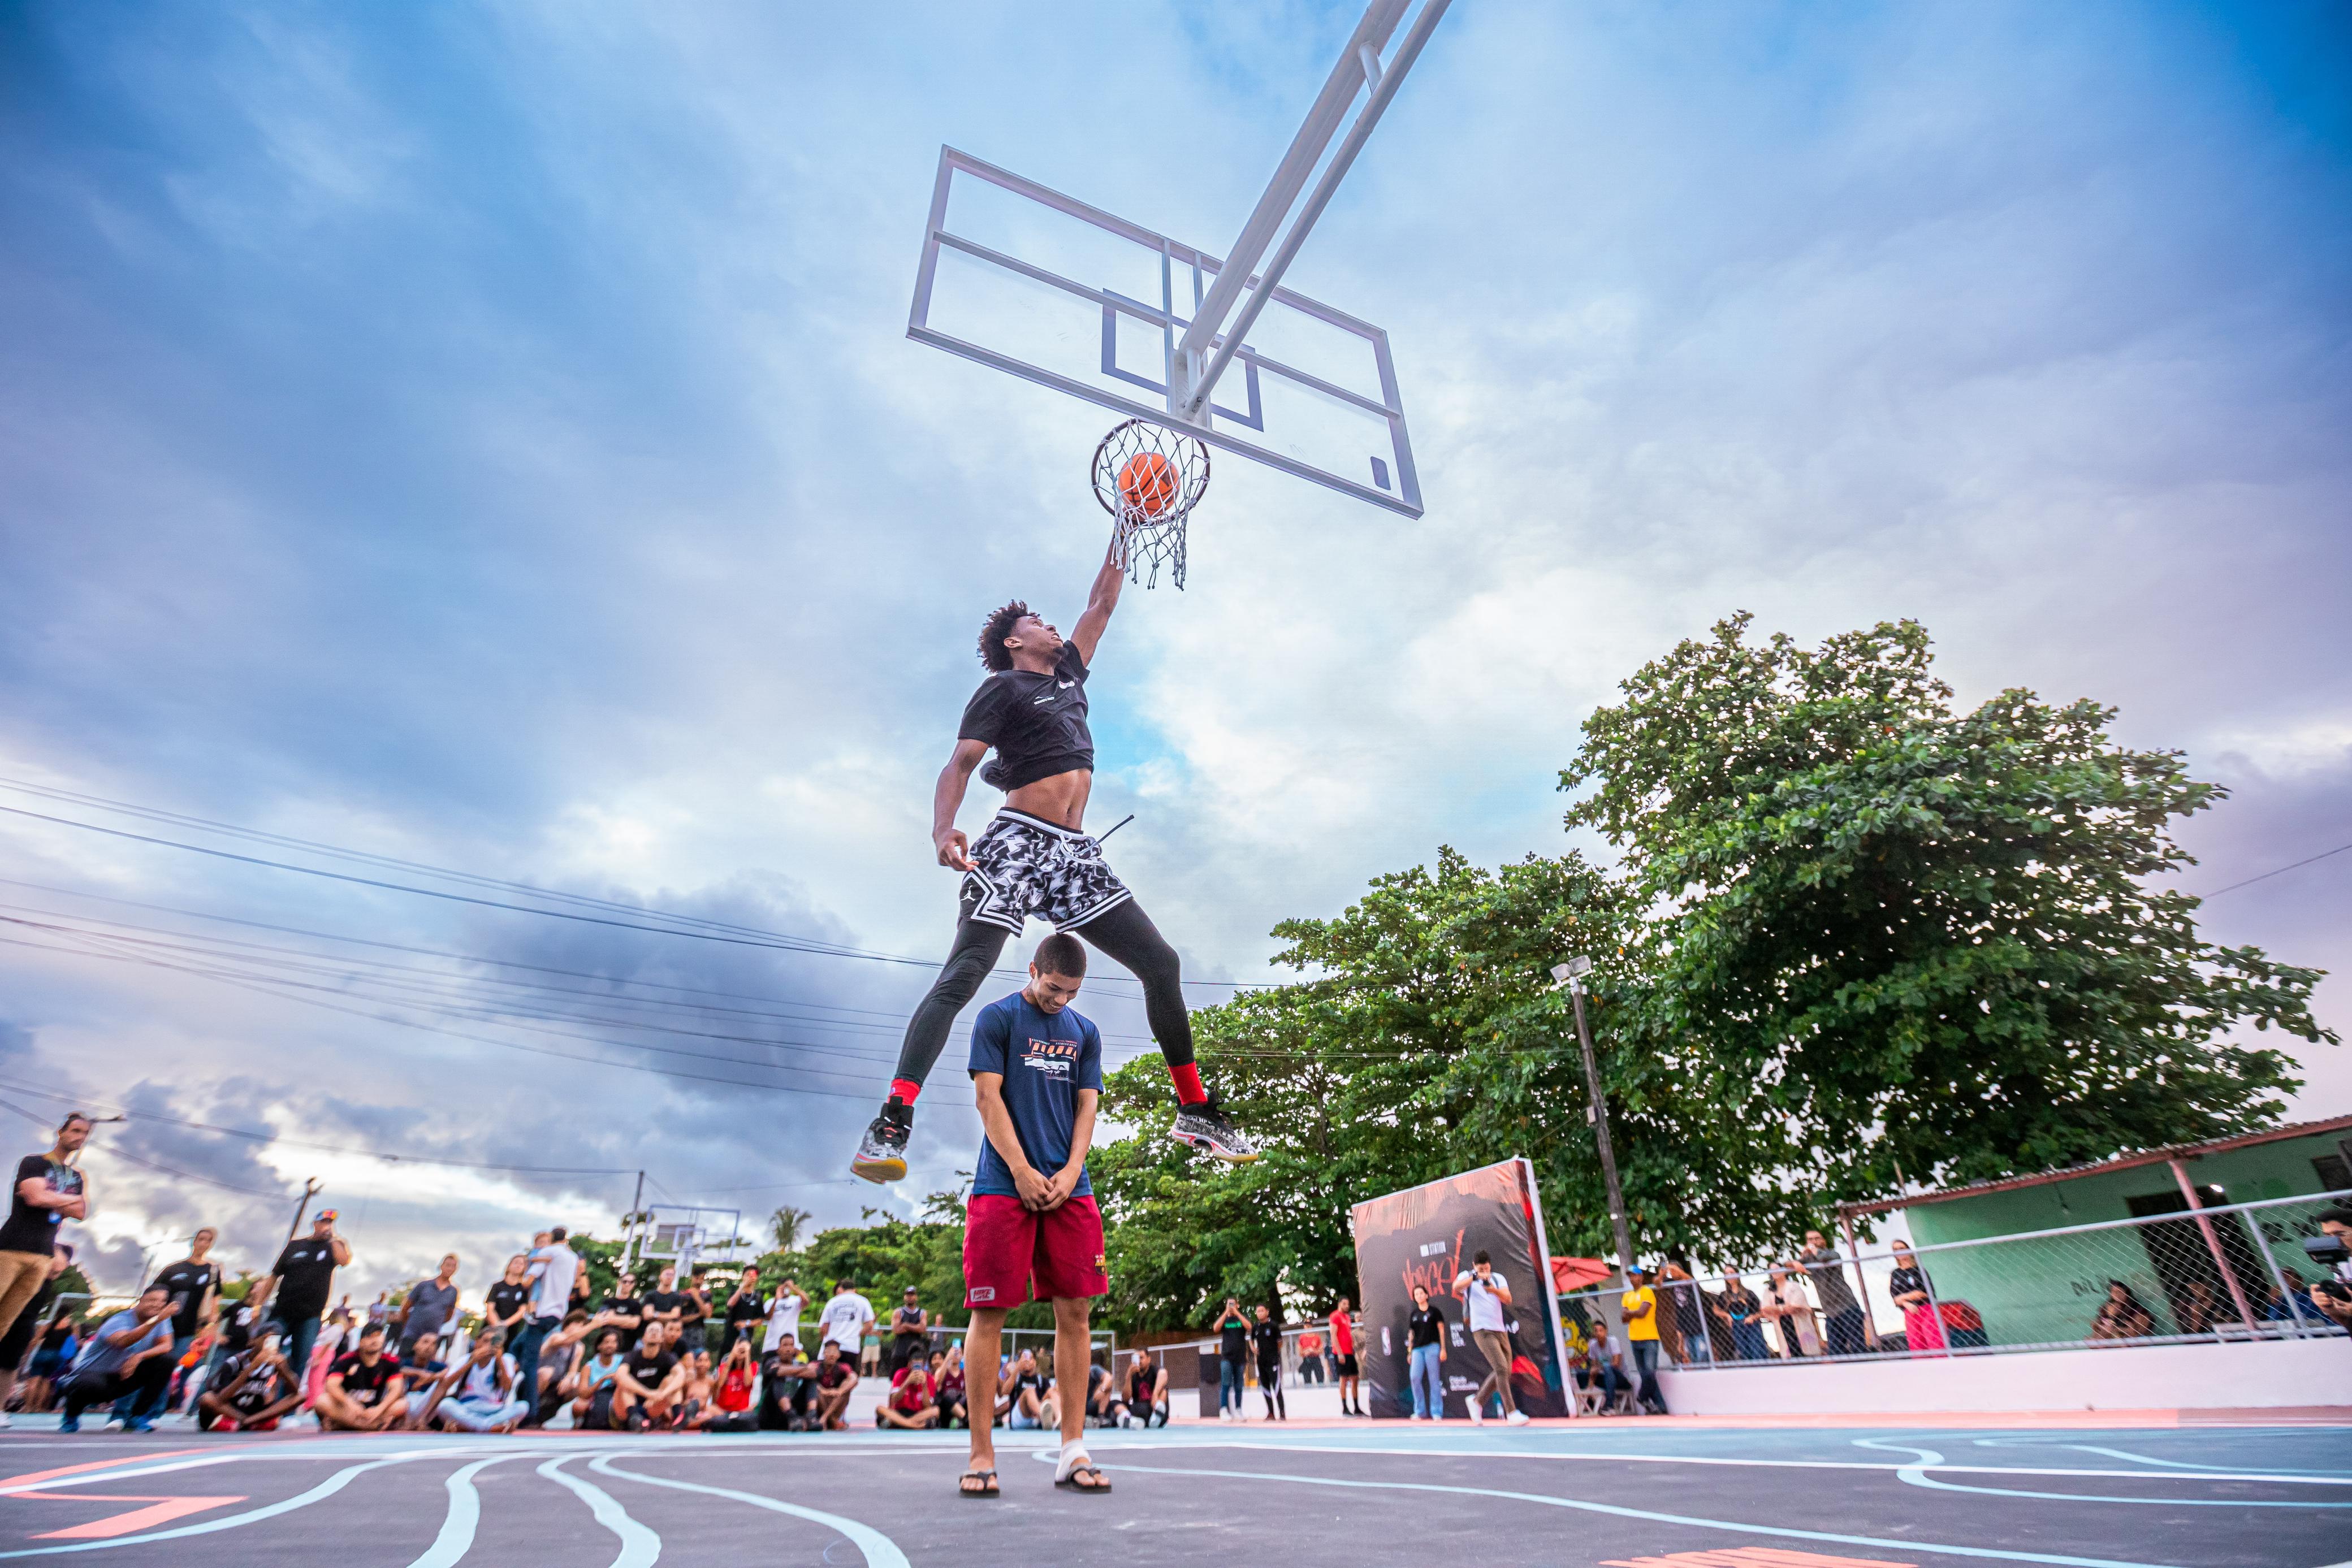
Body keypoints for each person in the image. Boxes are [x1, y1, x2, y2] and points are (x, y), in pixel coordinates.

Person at [850, 544, 1258, 1186]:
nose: (1050, 624)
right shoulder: (1002, 688)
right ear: (1015, 641)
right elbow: (959, 764)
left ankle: (1195, 1111)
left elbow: (1102, 601)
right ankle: (892, 1119)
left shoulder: (1068, 675)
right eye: (1036, 619)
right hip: (1016, 843)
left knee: (1162, 963)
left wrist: (1126, 523)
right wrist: (942, 827)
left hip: (1072, 852)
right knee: (964, 973)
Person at [956, 930, 1116, 1498]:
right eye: (1052, 988)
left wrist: (1072, 1171)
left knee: (1075, 1310)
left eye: (1071, 992)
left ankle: (1072, 1448)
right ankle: (981, 1453)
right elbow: (987, 1098)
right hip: (1004, 1182)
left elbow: (1086, 1104)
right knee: (990, 1310)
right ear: (1032, 969)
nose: (1061, 1000)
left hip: (1069, 1186)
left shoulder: (1085, 1032)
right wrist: (1022, 1170)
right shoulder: (996, 1019)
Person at [0, 1113, 92, 1422]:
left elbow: (81, 1211)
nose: (79, 1137)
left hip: (42, 1257)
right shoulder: (34, 1163)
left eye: (84, 1134)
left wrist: (57, 1199)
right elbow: (34, 1197)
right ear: (61, 1132)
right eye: (75, 1131)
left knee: (7, 1326)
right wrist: (64, 1199)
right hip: (11, 1248)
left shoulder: (77, 1175)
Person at [250, 1209, 349, 1392]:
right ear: (315, 1223)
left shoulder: (333, 1246)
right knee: (265, 1352)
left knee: (299, 1361)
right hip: (282, 1312)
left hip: (310, 1317)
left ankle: (285, 1409)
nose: (327, 1226)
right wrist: (257, 1305)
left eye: (330, 1223)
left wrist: (333, 1238)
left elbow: (344, 1261)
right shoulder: (295, 1246)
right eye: (324, 1222)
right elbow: (273, 1277)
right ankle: (253, 1395)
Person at [57, 1284, 175, 1433]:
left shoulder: (160, 1320)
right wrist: (156, 1320)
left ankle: (137, 1416)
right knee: (88, 1385)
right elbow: (124, 1341)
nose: (158, 1304)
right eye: (152, 1300)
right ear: (140, 1300)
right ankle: (71, 1416)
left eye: (162, 1301)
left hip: (122, 1377)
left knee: (167, 1361)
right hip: (94, 1375)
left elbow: (167, 1345)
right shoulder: (119, 1320)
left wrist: (140, 1356)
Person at [1452, 1250, 1529, 1426]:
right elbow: (1456, 1288)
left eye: (1486, 1268)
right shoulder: (1468, 1277)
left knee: (1505, 1371)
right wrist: (1474, 1277)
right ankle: (1511, 1412)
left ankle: (1477, 1401)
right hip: (1482, 1329)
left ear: (1490, 1266)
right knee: (1501, 1368)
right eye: (1481, 1269)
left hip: (1500, 1330)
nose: (1484, 1272)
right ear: (1474, 1266)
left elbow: (1508, 1299)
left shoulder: (1498, 1278)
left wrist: (1492, 1289)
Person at [0, 1244, 74, 1424]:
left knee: (11, 1367)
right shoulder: (71, 1324)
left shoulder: (44, 1279)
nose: (54, 1272)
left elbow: (38, 1333)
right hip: (19, 1323)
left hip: (24, 1325)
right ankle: (31, 1407)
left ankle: (6, 1408)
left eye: (57, 1272)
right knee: (39, 1380)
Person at [513, 1226, 578, 1428]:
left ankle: (529, 1412)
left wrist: (531, 1261)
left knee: (528, 1362)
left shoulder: (547, 1253)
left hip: (541, 1313)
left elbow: (527, 1282)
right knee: (521, 1353)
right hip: (558, 1313)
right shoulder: (572, 1257)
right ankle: (524, 1404)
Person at [197, 1325, 304, 1432]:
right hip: (232, 1410)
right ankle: (245, 1421)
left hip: (256, 1411)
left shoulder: (277, 1362)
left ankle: (250, 1422)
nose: (269, 1345)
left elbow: (296, 1393)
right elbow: (221, 1399)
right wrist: (251, 1369)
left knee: (300, 1396)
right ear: (253, 1341)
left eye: (275, 1341)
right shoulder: (235, 1362)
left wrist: (284, 1370)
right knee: (207, 1399)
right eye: (267, 1339)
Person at [316, 1322, 407, 1432]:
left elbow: (396, 1389)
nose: (375, 1340)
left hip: (374, 1411)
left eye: (378, 1336)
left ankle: (346, 1425)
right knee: (322, 1401)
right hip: (347, 1409)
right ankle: (371, 1426)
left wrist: (380, 1409)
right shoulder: (347, 1359)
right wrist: (349, 1403)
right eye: (370, 1337)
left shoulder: (391, 1361)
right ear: (361, 1342)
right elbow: (332, 1385)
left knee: (402, 1404)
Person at [436, 1329, 529, 1433]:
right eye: (486, 1341)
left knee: (523, 1406)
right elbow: (446, 1385)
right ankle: (490, 1427)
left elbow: (507, 1388)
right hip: (467, 1408)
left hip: (495, 1410)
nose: (489, 1345)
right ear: (476, 1343)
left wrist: (500, 1362)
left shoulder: (506, 1359)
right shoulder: (464, 1360)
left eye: (493, 1342)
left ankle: (470, 1427)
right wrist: (472, 1362)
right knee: (445, 1405)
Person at [1799, 1230, 1867, 1356]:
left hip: (1847, 1307)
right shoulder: (1809, 1261)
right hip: (1830, 1312)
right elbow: (1790, 1265)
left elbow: (1823, 1258)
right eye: (1810, 1240)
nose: (1814, 1242)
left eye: (1817, 1238)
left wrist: (1814, 1251)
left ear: (1823, 1240)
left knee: (1858, 1347)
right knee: (1836, 1351)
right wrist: (1795, 1262)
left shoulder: (1833, 1254)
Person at [612, 1318, 686, 1432]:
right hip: (625, 1407)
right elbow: (620, 1376)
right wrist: (648, 1393)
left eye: (658, 1331)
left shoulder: (668, 1357)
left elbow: (681, 1376)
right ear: (644, 1338)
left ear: (662, 1338)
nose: (654, 1333)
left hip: (651, 1406)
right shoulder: (631, 1356)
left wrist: (661, 1394)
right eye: (651, 1330)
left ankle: (678, 1418)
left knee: (672, 1379)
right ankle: (634, 1418)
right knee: (624, 1381)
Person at [1617, 1263, 1668, 1415]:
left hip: (1649, 1337)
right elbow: (1623, 1318)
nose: (1632, 1278)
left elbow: (1642, 1313)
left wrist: (1630, 1313)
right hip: (1635, 1338)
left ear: (1641, 1277)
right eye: (1630, 1276)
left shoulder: (1647, 1292)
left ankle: (1642, 1396)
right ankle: (1660, 1406)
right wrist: (1633, 1312)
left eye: (1634, 1275)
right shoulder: (1627, 1296)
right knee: (1645, 1374)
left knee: (1649, 1373)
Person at [397, 1254, 461, 1359]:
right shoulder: (424, 1285)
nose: (450, 1268)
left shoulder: (453, 1291)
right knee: (402, 1362)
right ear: (441, 1266)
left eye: (453, 1266)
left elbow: (449, 1314)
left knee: (423, 1366)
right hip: (412, 1333)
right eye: (448, 1265)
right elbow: (406, 1307)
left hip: (431, 1337)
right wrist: (408, 1324)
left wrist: (436, 1322)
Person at [1886, 1241, 1945, 1354]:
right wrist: (1907, 1303)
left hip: (1926, 1310)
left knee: (1935, 1343)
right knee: (1917, 1346)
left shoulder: (1919, 1271)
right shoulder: (1895, 1274)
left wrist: (1903, 1297)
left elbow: (1923, 1293)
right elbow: (1895, 1299)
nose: (1900, 1251)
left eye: (1902, 1248)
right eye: (1896, 1250)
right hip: (1909, 1312)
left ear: (1909, 1250)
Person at [567, 1327, 628, 1430]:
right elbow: (583, 1394)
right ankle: (580, 1423)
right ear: (599, 1346)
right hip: (595, 1398)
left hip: (616, 1396)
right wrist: (602, 1381)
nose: (610, 1345)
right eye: (607, 1342)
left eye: (613, 1342)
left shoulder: (623, 1361)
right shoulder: (589, 1367)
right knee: (578, 1407)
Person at [397, 1331, 456, 1428]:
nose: (429, 1347)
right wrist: (419, 1373)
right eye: (425, 1342)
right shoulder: (404, 1362)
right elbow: (398, 1370)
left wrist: (426, 1380)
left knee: (444, 1382)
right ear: (415, 1346)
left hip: (426, 1404)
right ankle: (405, 1421)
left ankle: (422, 1421)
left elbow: (447, 1373)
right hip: (404, 1402)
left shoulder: (439, 1366)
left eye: (433, 1344)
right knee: (398, 1379)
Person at [1406, 1283, 1448, 1420]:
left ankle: (1436, 1412)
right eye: (1416, 1294)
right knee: (1415, 1378)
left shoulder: (1435, 1312)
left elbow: (1441, 1330)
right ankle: (1420, 1411)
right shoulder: (1414, 1314)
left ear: (1426, 1295)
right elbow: (1411, 1334)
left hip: (1433, 1347)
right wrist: (1410, 1351)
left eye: (1421, 1293)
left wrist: (1443, 1349)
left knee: (1434, 1380)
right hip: (1417, 1350)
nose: (1419, 1296)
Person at [1658, 1259, 1709, 1366]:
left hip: (1699, 1327)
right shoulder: (1672, 1283)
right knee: (1694, 1359)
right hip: (1686, 1329)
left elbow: (1691, 1280)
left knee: (1703, 1358)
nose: (1672, 1273)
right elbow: (1658, 1283)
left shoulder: (1688, 1281)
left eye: (1674, 1270)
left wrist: (1676, 1269)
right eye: (1671, 1272)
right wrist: (1662, 1273)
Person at [1765, 1263, 1821, 1359]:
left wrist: (1776, 1309)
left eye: (1777, 1269)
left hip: (1800, 1326)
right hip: (1783, 1328)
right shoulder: (1769, 1291)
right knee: (1790, 1356)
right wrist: (1783, 1308)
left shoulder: (1794, 1286)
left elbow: (1795, 1307)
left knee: (1808, 1355)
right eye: (1772, 1270)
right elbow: (1765, 1308)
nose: (1775, 1272)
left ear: (1784, 1271)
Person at [2311, 1207, 2352, 1330]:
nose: (2333, 1241)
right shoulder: (2342, 1263)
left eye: (2340, 1234)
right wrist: (2329, 1307)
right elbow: (2347, 1322)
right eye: (2327, 1236)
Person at [818, 1278, 875, 1366]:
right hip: (851, 1346)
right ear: (855, 1289)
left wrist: (825, 1340)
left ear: (842, 1288)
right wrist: (857, 1333)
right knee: (849, 1376)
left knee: (830, 1377)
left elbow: (823, 1328)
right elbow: (870, 1325)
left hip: (832, 1347)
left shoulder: (832, 1302)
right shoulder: (863, 1301)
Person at [809, 1337, 859, 1430]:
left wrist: (840, 1391)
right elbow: (807, 1373)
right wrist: (823, 1390)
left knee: (846, 1386)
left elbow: (854, 1379)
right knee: (814, 1387)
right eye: (829, 1351)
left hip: (836, 1401)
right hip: (820, 1401)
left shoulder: (844, 1367)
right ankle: (832, 1421)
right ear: (824, 1354)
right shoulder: (815, 1365)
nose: (832, 1355)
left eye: (835, 1352)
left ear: (839, 1355)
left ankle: (825, 1418)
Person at [1212, 1296, 1249, 1422]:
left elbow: (1249, 1327)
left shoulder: (1241, 1319)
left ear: (1238, 1305)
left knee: (1239, 1385)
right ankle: (1224, 1409)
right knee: (1226, 1384)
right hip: (1227, 1358)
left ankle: (1238, 1410)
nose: (1231, 1306)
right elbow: (1216, 1328)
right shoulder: (1225, 1320)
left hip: (1240, 1358)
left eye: (1233, 1304)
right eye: (1229, 1304)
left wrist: (1237, 1313)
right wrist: (1226, 1312)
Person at [1717, 1274, 1769, 1361]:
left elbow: (1762, 1312)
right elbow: (1716, 1310)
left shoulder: (1748, 1293)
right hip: (1736, 1326)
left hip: (1752, 1325)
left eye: (1731, 1272)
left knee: (1757, 1351)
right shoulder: (1724, 1295)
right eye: (1727, 1273)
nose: (1729, 1275)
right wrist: (1727, 1316)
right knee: (1744, 1352)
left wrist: (1753, 1317)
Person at [593, 1271, 646, 1353]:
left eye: (631, 1282)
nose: (627, 1284)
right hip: (606, 1347)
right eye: (625, 1281)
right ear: (619, 1283)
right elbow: (599, 1319)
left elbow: (634, 1324)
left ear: (634, 1285)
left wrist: (612, 1318)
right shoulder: (608, 1302)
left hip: (627, 1348)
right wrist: (627, 1319)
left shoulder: (636, 1305)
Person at [877, 1359, 939, 1429]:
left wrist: (924, 1385)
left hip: (918, 1415)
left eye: (920, 1366)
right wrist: (907, 1382)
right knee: (879, 1408)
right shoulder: (900, 1374)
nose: (917, 1370)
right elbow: (894, 1400)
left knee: (936, 1410)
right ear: (909, 1365)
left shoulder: (929, 1378)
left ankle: (902, 1423)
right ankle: (914, 1426)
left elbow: (928, 1407)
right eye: (915, 1366)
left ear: (924, 1365)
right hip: (899, 1413)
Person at [1252, 1302, 1286, 1420]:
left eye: (1262, 1311)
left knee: (1276, 1387)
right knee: (1265, 1387)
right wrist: (1253, 1349)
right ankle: (1271, 1412)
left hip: (1273, 1360)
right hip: (1261, 1361)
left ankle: (1282, 1412)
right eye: (1258, 1311)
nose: (1260, 1313)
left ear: (1267, 1311)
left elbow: (1280, 1342)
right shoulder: (1255, 1327)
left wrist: (1274, 1353)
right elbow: (1251, 1339)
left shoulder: (1273, 1325)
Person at [2089, 1280, 2156, 1341]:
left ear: (2126, 1294)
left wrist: (2116, 1329)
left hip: (2133, 1338)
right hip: (2111, 1336)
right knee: (2094, 1338)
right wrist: (2097, 1324)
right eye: (2113, 1291)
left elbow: (2136, 1331)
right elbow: (2100, 1322)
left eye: (2119, 1291)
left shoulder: (2136, 1308)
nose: (2116, 1294)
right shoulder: (2108, 1306)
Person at [721, 1268, 767, 1356]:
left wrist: (746, 1323)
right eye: (748, 1275)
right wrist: (742, 1287)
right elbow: (730, 1304)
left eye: (753, 1275)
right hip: (730, 1336)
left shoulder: (757, 1297)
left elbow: (760, 1320)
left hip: (747, 1337)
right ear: (743, 1277)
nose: (751, 1277)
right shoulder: (735, 1292)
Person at [1330, 1295, 1363, 1417]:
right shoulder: (1335, 1316)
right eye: (1344, 1304)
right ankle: (1344, 1408)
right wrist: (1339, 1353)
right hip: (1341, 1353)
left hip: (1350, 1352)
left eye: (1348, 1304)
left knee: (1355, 1378)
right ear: (1339, 1304)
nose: (1347, 1306)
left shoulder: (1347, 1317)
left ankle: (1357, 1407)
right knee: (1343, 1379)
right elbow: (1333, 1335)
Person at [888, 1285, 931, 1376]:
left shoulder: (922, 1313)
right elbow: (896, 1330)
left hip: (916, 1352)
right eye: (908, 1295)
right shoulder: (898, 1312)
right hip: (900, 1351)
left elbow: (923, 1329)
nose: (910, 1297)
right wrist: (916, 1327)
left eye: (912, 1294)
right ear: (904, 1297)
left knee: (917, 1377)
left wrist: (905, 1325)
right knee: (897, 1377)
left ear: (916, 1297)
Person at [762, 1275, 807, 1357]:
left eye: (788, 1287)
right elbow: (768, 1317)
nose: (787, 1289)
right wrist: (777, 1300)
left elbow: (806, 1301)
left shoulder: (795, 1300)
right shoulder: (770, 1302)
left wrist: (794, 1289)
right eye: (785, 1286)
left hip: (791, 1345)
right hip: (772, 1345)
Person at [1121, 1351, 1168, 1428]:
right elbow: (1125, 1399)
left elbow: (1163, 1373)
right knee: (1115, 1403)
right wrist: (1128, 1376)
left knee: (1164, 1391)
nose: (1139, 1361)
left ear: (1149, 1359)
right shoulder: (1132, 1375)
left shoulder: (1154, 1371)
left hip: (1152, 1408)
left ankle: (1157, 1415)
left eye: (1142, 1358)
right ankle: (1131, 1421)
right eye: (1137, 1358)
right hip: (1138, 1410)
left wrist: (1155, 1394)